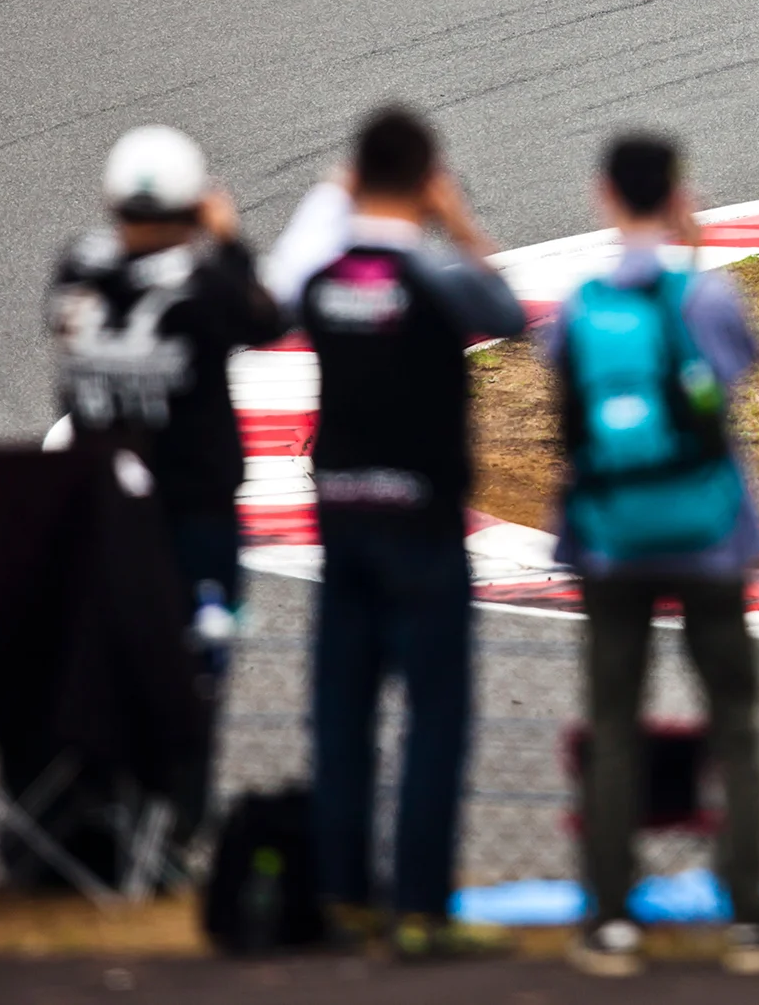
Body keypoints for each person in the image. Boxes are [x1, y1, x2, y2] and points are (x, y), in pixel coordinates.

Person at [276, 107, 525, 961]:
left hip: (341, 516)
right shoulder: (433, 277)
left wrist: (331, 207)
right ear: (427, 180)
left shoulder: (321, 275)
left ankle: (342, 895)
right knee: (434, 716)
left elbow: (275, 288)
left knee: (341, 713)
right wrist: (456, 223)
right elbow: (507, 309)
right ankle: (419, 907)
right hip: (419, 522)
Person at [552, 133, 759, 977]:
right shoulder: (709, 297)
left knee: (613, 718)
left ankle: (610, 914)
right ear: (679, 194)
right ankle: (748, 913)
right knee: (736, 714)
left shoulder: (579, 307)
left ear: (604, 195)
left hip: (610, 538)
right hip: (707, 536)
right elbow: (742, 373)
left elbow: (567, 413)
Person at [47, 124, 287, 845]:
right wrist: (230, 242)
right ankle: (182, 818)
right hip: (191, 510)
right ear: (193, 205)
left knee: (106, 656)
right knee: (195, 664)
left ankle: (103, 806)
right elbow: (266, 319)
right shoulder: (209, 280)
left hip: (98, 508)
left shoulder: (76, 268)